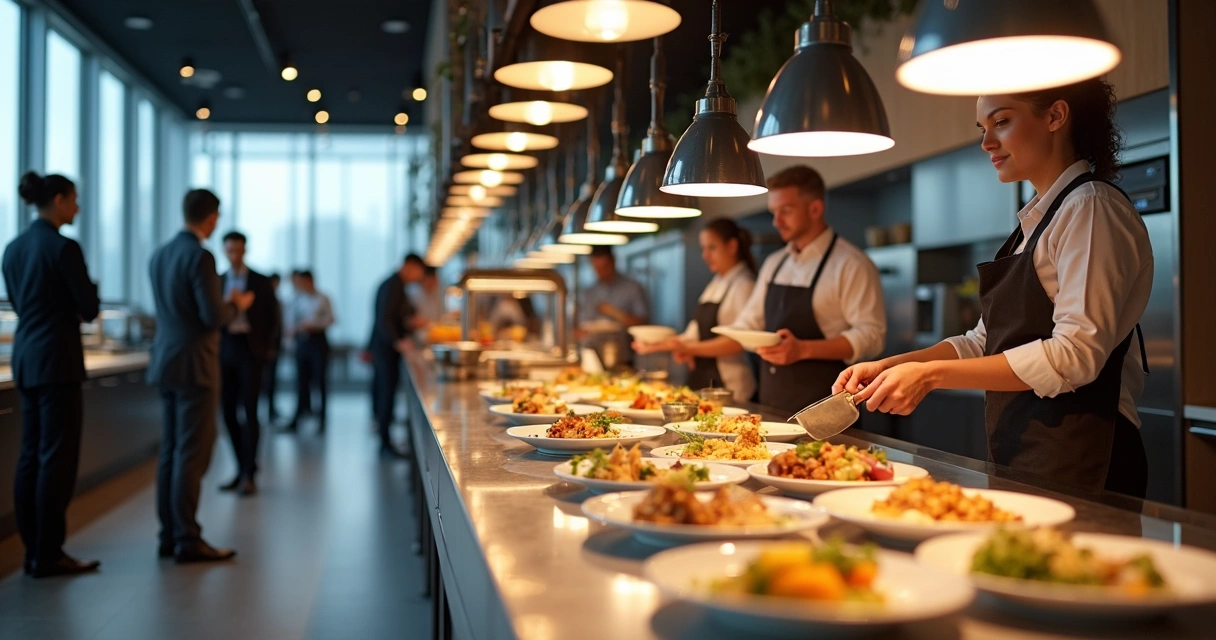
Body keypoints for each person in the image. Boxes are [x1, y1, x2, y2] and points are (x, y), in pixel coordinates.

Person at [834, 78, 1152, 498]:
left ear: (1055, 116)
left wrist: (930, 376)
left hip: (1090, 452)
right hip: (1033, 448)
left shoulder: (1091, 207)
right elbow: (983, 341)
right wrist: (893, 365)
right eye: (982, 128)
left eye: (1001, 121)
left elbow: (1076, 355)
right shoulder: (1037, 222)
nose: (987, 142)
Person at [676, 166, 886, 413]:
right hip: (772, 402)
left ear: (815, 209)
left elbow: (872, 336)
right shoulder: (775, 264)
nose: (776, 222)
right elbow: (748, 323)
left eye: (785, 211)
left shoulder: (852, 264)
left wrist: (804, 349)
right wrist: (686, 344)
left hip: (827, 407)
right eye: (774, 212)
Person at [147, 189, 254, 563]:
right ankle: (188, 538)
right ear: (211, 218)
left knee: (171, 452)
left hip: (165, 361)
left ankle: (169, 535)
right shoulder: (201, 256)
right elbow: (213, 316)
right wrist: (235, 304)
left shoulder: (159, 254)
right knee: (192, 453)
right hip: (195, 364)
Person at [3, 172, 100, 578]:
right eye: (74, 199)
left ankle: (33, 550)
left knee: (30, 456)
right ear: (58, 200)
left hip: (26, 356)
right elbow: (89, 307)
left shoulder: (13, 247)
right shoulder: (63, 247)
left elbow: (23, 303)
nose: (77, 207)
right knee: (56, 459)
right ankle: (49, 553)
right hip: (58, 360)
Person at [633, 218, 757, 403]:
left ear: (732, 246)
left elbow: (738, 341)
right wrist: (655, 345)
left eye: (712, 248)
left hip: (729, 386)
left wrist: (689, 348)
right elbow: (693, 334)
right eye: (703, 248)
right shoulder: (717, 282)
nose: (705, 255)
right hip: (704, 380)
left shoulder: (744, 284)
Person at [218, 232, 277, 497]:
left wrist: (267, 349)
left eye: (238, 250)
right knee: (228, 411)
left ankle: (249, 474)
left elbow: (274, 318)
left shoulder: (261, 281)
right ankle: (242, 467)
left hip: (251, 351)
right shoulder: (218, 282)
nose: (234, 255)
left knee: (250, 410)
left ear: (245, 250)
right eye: (230, 250)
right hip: (226, 348)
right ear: (225, 251)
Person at [368, 254, 425, 457]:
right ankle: (385, 444)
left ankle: (387, 441)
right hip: (385, 350)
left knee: (388, 393)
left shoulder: (398, 286)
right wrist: (398, 341)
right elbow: (383, 319)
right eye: (419, 271)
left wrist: (411, 321)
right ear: (410, 266)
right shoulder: (392, 285)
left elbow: (399, 316)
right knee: (386, 394)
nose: (419, 276)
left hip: (388, 349)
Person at [576, 245, 649, 367]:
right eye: (597, 268)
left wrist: (614, 312)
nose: (601, 272)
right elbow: (579, 326)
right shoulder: (588, 292)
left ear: (613, 260)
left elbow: (642, 323)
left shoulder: (633, 288)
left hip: (623, 357)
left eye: (604, 267)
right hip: (592, 356)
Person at [284, 270, 334, 433]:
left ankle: (322, 419)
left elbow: (331, 319)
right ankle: (299, 416)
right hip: (302, 342)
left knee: (320, 381)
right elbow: (290, 323)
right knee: (301, 381)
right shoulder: (296, 299)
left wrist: (315, 324)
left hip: (318, 341)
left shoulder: (323, 298)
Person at [262, 273, 283, 424]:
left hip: (274, 346)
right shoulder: (265, 301)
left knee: (272, 380)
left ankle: (271, 409)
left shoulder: (278, 301)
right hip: (264, 347)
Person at [409, 264, 445, 331]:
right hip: (418, 333)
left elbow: (442, 312)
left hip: (436, 329)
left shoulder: (438, 291)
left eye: (434, 279)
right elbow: (409, 319)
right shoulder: (412, 292)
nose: (431, 283)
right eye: (429, 280)